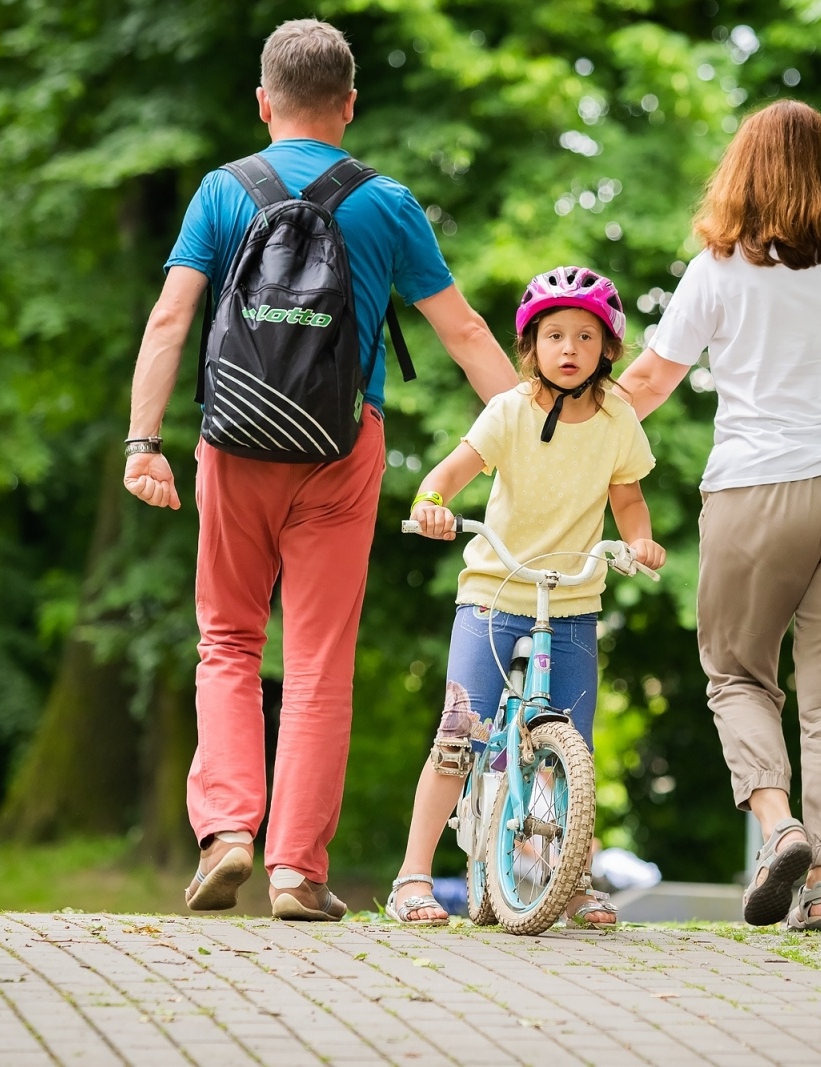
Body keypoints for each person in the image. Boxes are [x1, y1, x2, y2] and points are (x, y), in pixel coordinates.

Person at [123, 19, 518, 920]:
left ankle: (227, 831)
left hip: (234, 442)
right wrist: (527, 449)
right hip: (343, 449)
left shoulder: (224, 191)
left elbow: (168, 321)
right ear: (349, 104)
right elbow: (465, 334)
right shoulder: (388, 203)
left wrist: (144, 444)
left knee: (227, 640)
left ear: (263, 102)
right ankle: (296, 870)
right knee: (318, 660)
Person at [618, 100, 821, 931]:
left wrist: (575, 430)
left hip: (755, 491)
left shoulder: (719, 267)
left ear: (742, 171)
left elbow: (653, 382)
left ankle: (780, 827)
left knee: (736, 671)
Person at [389, 266, 665, 927]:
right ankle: (412, 878)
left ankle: (567, 883)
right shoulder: (509, 409)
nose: (569, 348)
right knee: (460, 734)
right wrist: (432, 500)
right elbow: (453, 469)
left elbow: (627, 494)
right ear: (531, 345)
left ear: (607, 348)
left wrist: (641, 540)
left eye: (585, 336)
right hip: (493, 590)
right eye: (554, 335)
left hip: (571, 597)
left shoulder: (618, 417)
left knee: (573, 750)